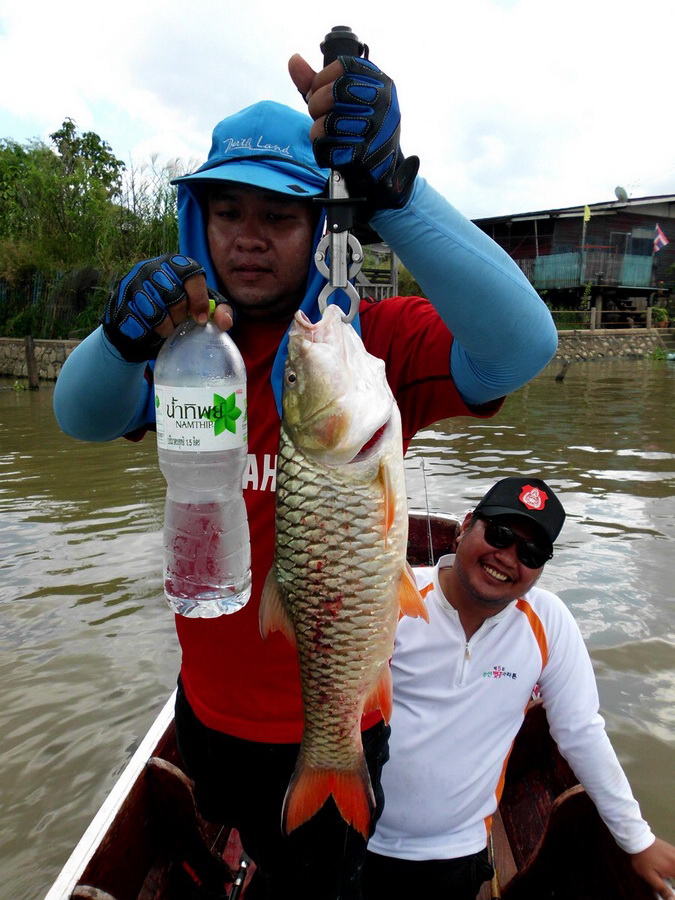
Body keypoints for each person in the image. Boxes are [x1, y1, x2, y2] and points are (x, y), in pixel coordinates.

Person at [53, 51, 558, 899]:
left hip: (332, 714)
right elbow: (81, 416)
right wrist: (120, 340)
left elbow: (520, 343)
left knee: (319, 880)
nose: (248, 236)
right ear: (196, 221)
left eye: (280, 215)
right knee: (253, 834)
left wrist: (394, 189)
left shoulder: (365, 347)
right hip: (206, 710)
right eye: (226, 210)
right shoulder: (189, 360)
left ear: (319, 226)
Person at [363, 476, 675, 900]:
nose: (507, 557)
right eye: (500, 533)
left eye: (530, 552)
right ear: (467, 525)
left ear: (542, 568)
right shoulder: (391, 596)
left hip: (454, 852)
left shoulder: (547, 621)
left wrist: (637, 840)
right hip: (351, 834)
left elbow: (581, 731)